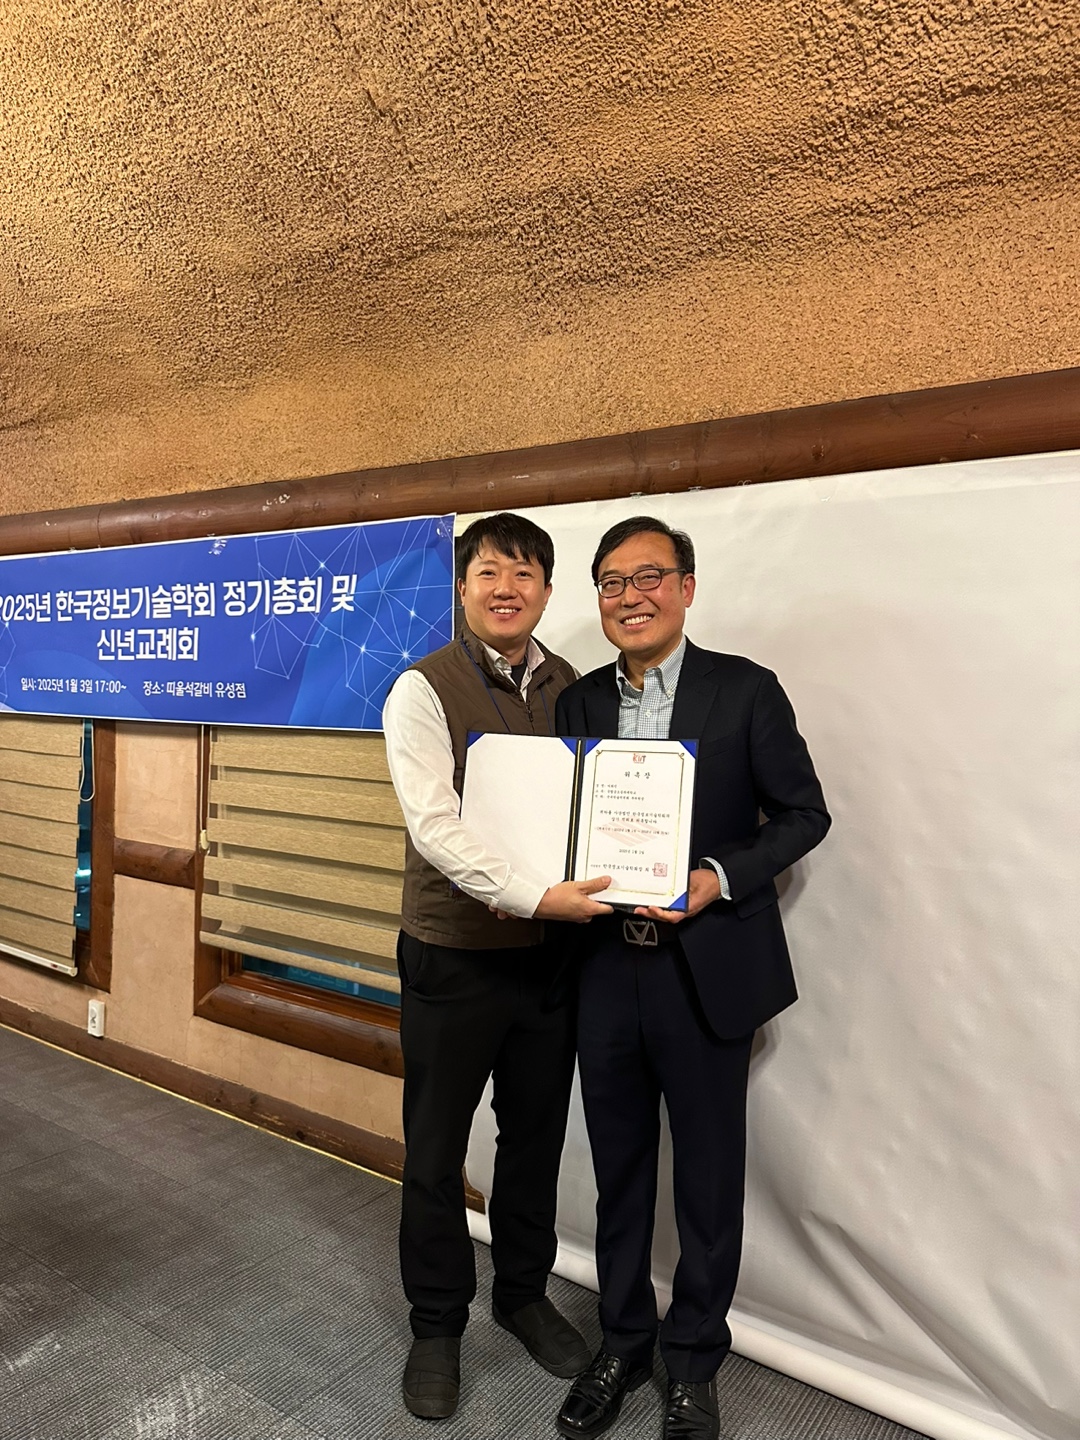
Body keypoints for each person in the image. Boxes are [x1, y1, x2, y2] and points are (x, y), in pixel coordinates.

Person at [554, 516, 830, 1440]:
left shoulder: (746, 690)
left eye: (648, 577)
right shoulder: (578, 703)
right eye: (611, 582)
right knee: (619, 1169)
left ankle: (694, 1360)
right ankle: (624, 1340)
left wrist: (718, 876)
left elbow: (803, 814)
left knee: (709, 1180)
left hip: (704, 971)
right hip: (604, 966)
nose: (629, 597)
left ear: (686, 587)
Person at [382, 512, 613, 1420]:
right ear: (463, 587)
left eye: (524, 573)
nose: (505, 588)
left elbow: (597, 798)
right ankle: (437, 1323)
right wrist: (534, 896)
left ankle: (521, 1295)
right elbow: (434, 826)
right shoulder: (421, 688)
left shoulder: (574, 686)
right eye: (488, 572)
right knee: (437, 1149)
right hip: (453, 955)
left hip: (550, 960)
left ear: (547, 592)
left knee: (534, 1138)